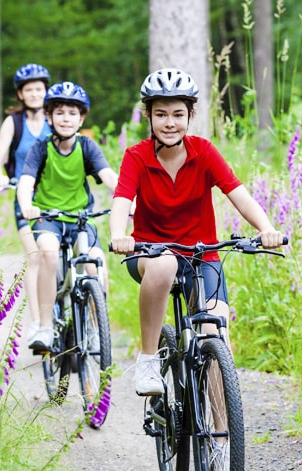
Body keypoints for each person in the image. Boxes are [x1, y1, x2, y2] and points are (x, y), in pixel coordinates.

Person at [109, 68, 285, 396]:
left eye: (178, 114)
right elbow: (122, 198)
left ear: (191, 115)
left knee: (216, 337)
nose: (170, 122)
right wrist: (120, 233)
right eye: (160, 114)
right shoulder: (136, 156)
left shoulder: (203, 151)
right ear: (148, 115)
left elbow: (238, 193)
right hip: (149, 254)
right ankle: (148, 359)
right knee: (164, 264)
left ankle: (220, 437)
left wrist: (267, 228)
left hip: (202, 256)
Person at [17, 81, 119, 350]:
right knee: (48, 254)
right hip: (48, 218)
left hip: (80, 219)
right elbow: (26, 181)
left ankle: (97, 327)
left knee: (95, 262)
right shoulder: (40, 149)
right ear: (49, 116)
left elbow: (107, 175)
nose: (66, 118)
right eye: (59, 112)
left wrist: (127, 197)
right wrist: (27, 204)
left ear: (81, 117)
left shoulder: (87, 147)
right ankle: (45, 326)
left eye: (72, 113)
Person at [0, 63, 52, 334]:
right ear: (20, 94)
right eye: (30, 90)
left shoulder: (56, 118)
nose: (35, 94)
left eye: (39, 89)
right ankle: (38, 322)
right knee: (35, 256)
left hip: (56, 199)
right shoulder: (13, 122)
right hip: (25, 200)